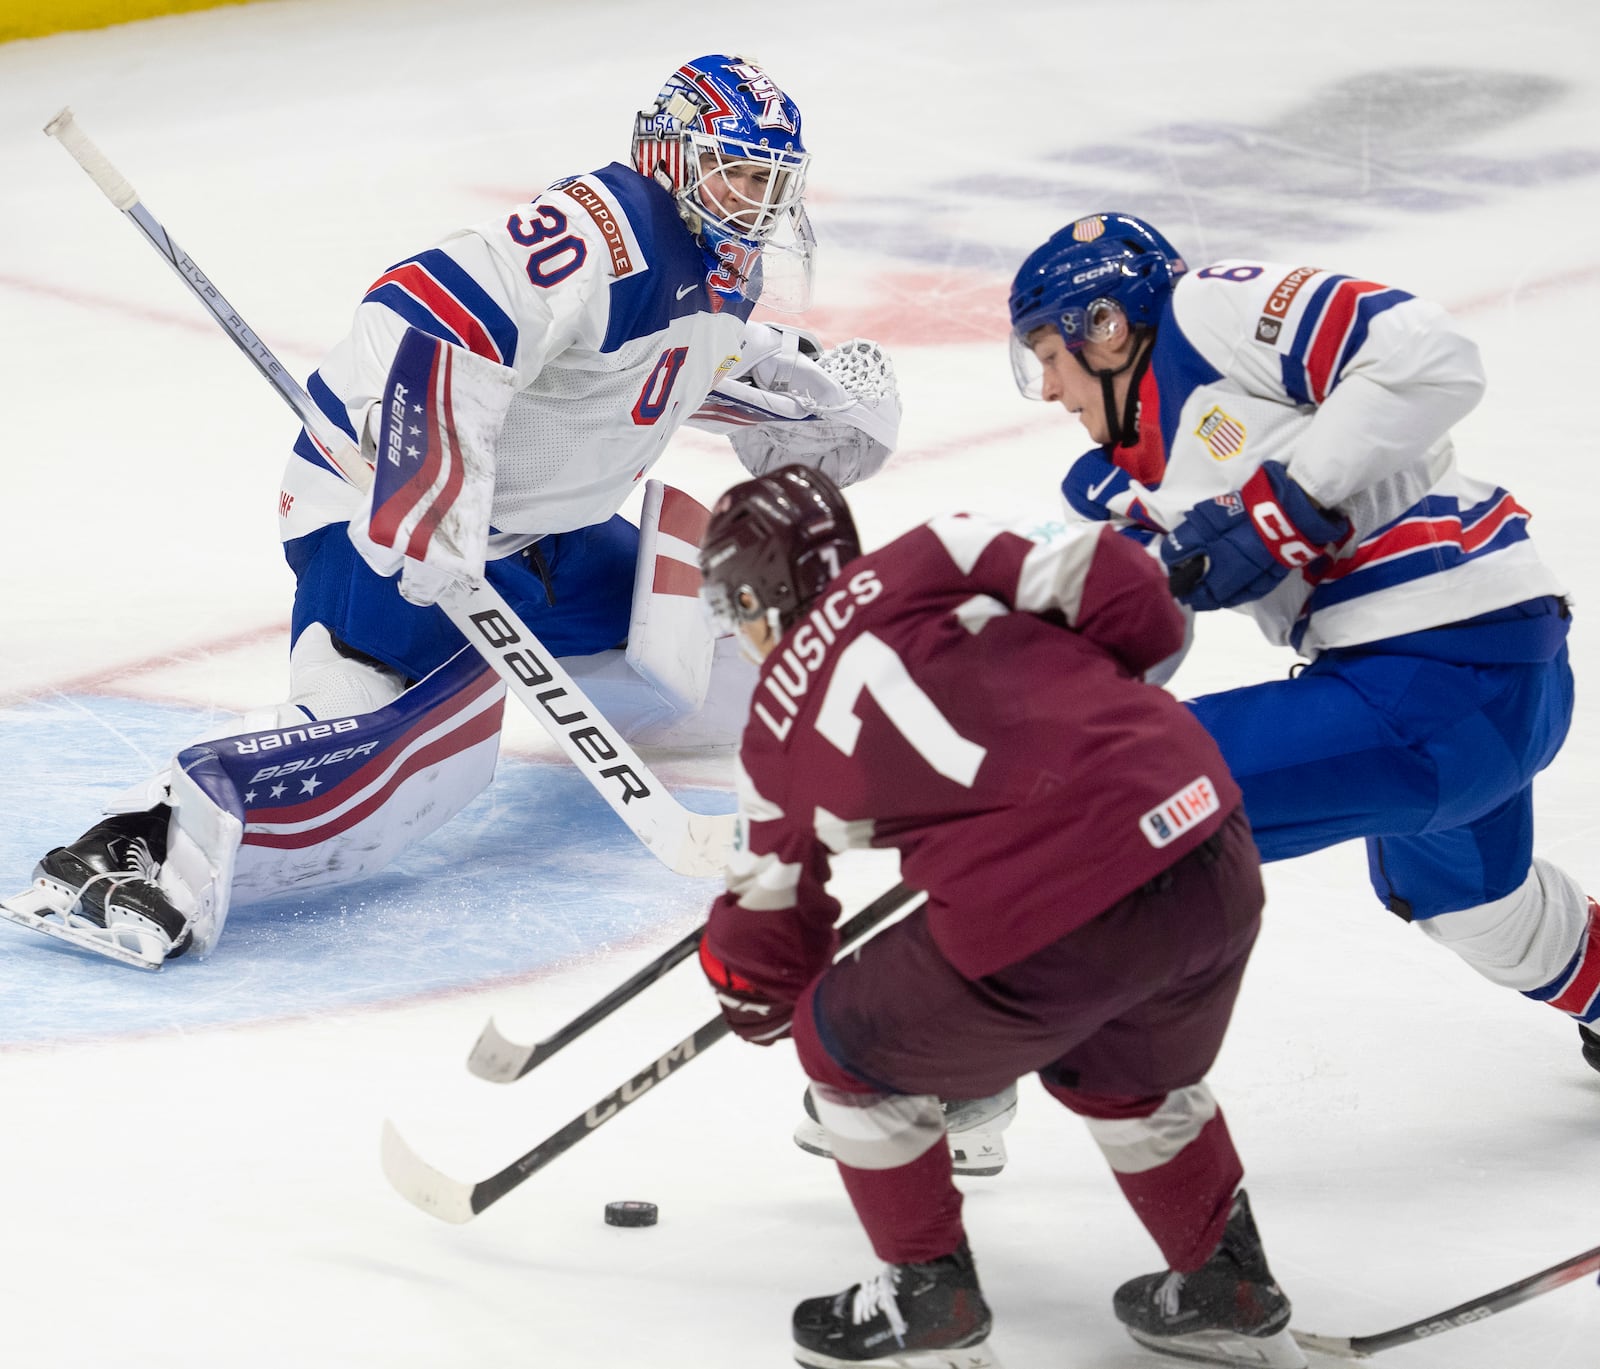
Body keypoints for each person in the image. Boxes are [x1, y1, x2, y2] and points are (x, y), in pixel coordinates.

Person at [0, 54, 900, 968]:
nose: (755, 200)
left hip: (548, 543)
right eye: (737, 171)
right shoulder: (604, 228)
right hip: (378, 525)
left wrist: (820, 404)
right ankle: (136, 849)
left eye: (770, 180)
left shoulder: (718, 268)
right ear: (668, 155)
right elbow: (425, 309)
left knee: (730, 654)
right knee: (391, 762)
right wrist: (431, 492)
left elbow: (657, 374)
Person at [695, 464, 1305, 1369]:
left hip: (1053, 910)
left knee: (840, 1039)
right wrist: (1081, 709)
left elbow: (766, 938)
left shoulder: (775, 727)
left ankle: (925, 1301)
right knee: (1125, 1061)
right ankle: (1228, 1281)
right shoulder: (934, 549)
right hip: (1206, 833)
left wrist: (751, 997)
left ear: (758, 595)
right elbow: (1132, 588)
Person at [1008, 211, 1600, 1072]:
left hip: (1440, 671)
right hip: (1476, 699)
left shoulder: (1203, 314)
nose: (1053, 391)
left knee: (1118, 799)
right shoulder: (1108, 484)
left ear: (1103, 326)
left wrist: (1291, 499)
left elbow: (1427, 353)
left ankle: (955, 1075)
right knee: (1474, 907)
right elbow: (1142, 640)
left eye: (1049, 356)